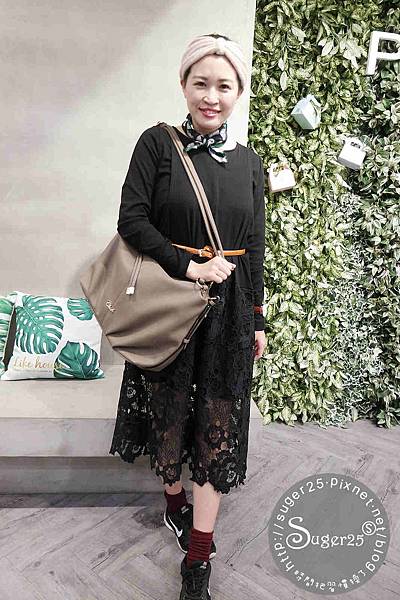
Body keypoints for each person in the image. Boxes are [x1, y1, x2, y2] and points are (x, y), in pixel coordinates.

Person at [109, 32, 266, 600]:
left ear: (238, 92)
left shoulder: (250, 163)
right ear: (183, 85)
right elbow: (132, 220)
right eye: (201, 83)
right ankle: (173, 498)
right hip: (171, 302)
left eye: (224, 86)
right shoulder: (157, 144)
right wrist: (188, 266)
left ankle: (198, 557)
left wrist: (258, 317)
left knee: (217, 426)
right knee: (169, 414)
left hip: (229, 312)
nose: (211, 97)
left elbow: (255, 243)